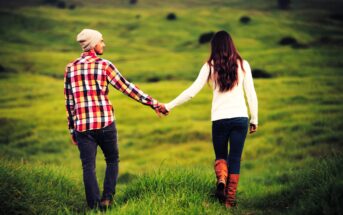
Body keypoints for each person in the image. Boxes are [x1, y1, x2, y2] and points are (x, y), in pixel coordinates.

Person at [63, 29, 167, 210]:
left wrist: (72, 129)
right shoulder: (104, 65)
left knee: (88, 167)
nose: (104, 44)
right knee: (112, 160)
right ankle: (107, 199)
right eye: (101, 41)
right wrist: (153, 103)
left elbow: (69, 102)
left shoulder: (70, 69)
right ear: (93, 44)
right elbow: (127, 88)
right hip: (105, 123)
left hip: (82, 128)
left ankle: (94, 207)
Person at [161, 30, 258, 208]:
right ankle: (229, 202)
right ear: (231, 44)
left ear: (214, 47)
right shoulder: (243, 65)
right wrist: (254, 119)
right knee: (235, 158)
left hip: (220, 119)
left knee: (221, 156)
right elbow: (251, 94)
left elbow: (191, 92)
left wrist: (168, 106)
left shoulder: (210, 66)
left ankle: (221, 178)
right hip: (240, 118)